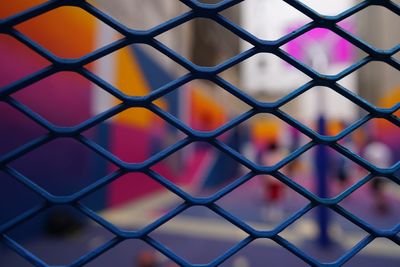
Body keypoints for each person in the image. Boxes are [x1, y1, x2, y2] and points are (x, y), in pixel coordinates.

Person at [363, 140, 392, 214]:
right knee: (382, 190)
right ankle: (382, 204)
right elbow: (389, 158)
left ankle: (380, 205)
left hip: (374, 174)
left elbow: (367, 161)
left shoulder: (369, 148)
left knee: (376, 191)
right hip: (385, 171)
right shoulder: (384, 147)